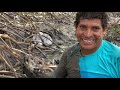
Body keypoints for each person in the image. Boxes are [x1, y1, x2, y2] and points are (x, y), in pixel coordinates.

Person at [27, 12, 120, 78]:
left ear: (104, 31)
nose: (88, 34)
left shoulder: (116, 57)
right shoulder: (70, 53)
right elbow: (56, 76)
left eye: (95, 28)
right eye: (83, 27)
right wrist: (34, 73)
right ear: (76, 27)